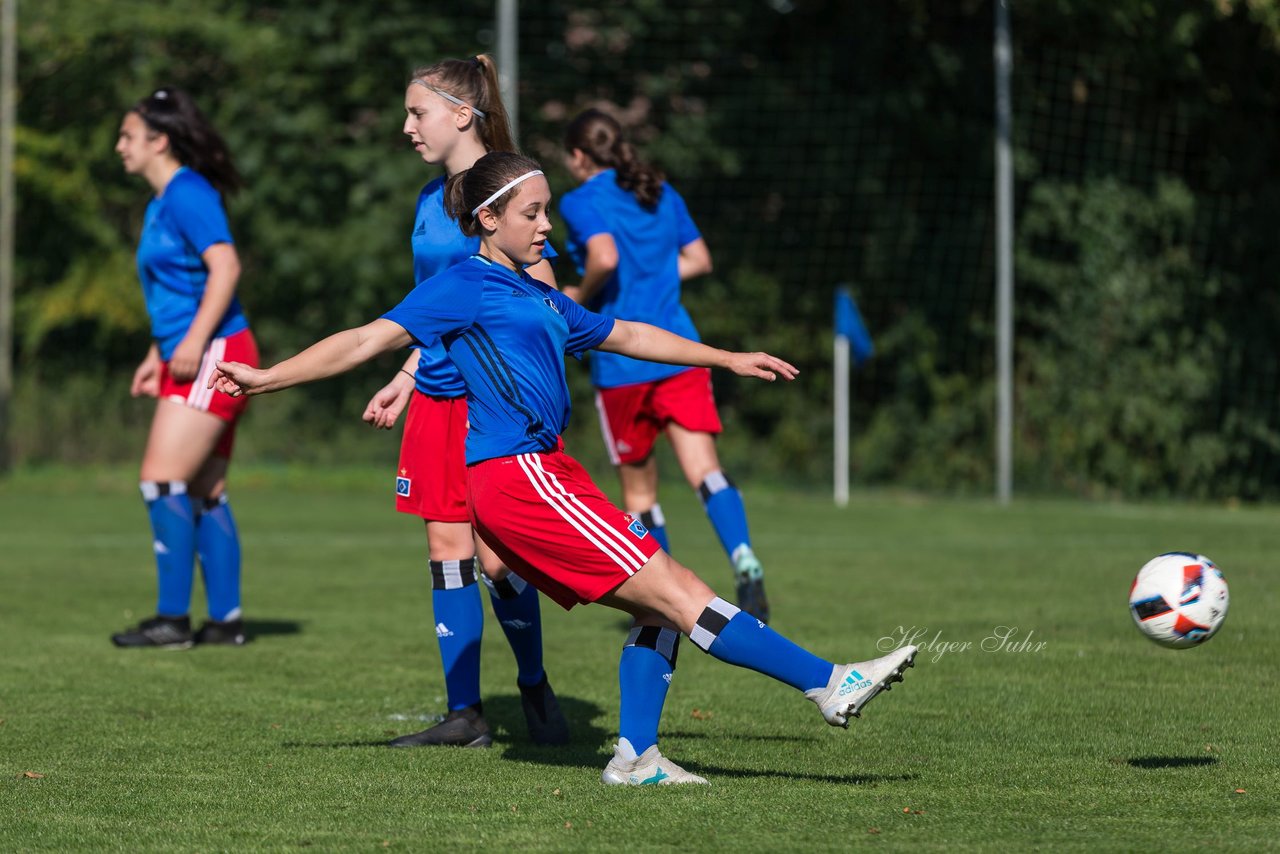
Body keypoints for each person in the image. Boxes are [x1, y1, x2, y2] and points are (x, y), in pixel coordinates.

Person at [209, 152, 919, 785]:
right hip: (520, 479)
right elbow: (368, 337)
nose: (548, 225)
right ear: (489, 219)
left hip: (547, 473)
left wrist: (726, 357)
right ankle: (829, 684)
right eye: (532, 212)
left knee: (658, 606)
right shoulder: (464, 284)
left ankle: (638, 757)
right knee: (677, 589)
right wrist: (267, 379)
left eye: (547, 209)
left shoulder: (540, 295)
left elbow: (631, 334)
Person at [358, 56, 567, 748]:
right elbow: (439, 309)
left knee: (501, 561)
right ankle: (465, 714)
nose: (407, 125)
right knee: (447, 552)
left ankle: (534, 686)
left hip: (495, 408)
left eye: (417, 112)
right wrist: (411, 371)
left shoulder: (510, 187)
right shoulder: (428, 200)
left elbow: (545, 301)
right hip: (437, 396)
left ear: (459, 113)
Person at [559, 108, 771, 623]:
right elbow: (699, 260)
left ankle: (663, 597)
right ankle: (744, 556)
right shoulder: (658, 189)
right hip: (681, 351)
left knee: (639, 494)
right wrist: (658, 277)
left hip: (624, 361)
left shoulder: (581, 200)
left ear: (580, 156)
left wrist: (576, 298)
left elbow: (604, 260)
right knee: (706, 472)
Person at [110, 87, 257, 649]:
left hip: (216, 350)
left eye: (128, 136)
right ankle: (226, 623)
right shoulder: (160, 202)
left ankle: (172, 622)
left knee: (161, 480)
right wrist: (157, 352)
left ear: (159, 141)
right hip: (196, 349)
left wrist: (194, 341)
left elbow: (225, 267)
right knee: (204, 489)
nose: (119, 146)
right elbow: (176, 292)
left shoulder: (186, 192)